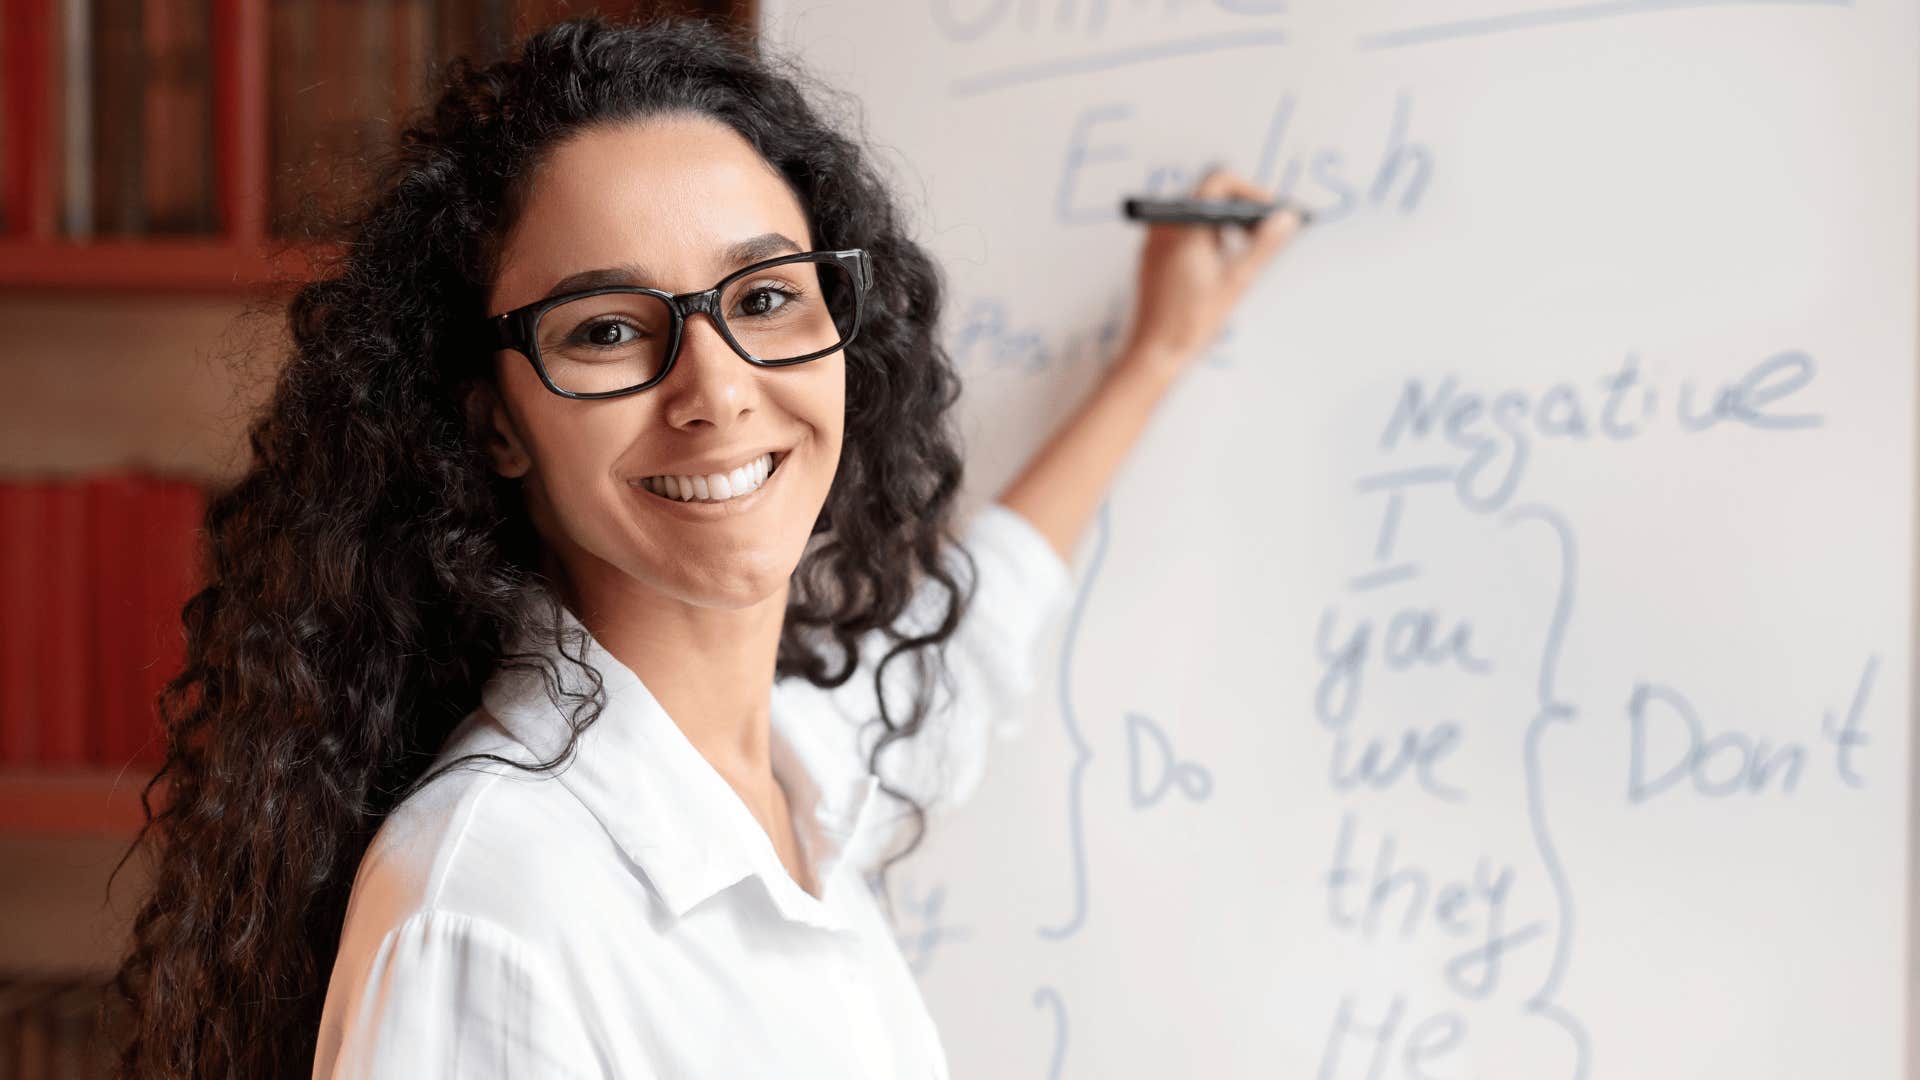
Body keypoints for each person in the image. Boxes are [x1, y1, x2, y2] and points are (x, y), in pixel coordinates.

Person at [106, 13, 1301, 1079]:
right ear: (495, 424)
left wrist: (1156, 354)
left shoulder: (801, 766)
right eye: (611, 330)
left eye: (768, 297)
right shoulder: (493, 910)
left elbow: (969, 643)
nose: (716, 392)